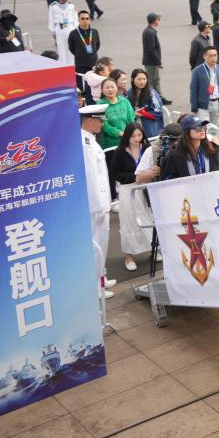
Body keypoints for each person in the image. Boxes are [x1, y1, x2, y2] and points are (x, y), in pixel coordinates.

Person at [79, 105, 116, 299]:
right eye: (100, 120)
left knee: (102, 243)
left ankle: (101, 277)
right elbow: (91, 179)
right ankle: (95, 287)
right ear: (89, 121)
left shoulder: (90, 140)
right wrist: (98, 207)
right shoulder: (85, 144)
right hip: (96, 206)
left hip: (101, 202)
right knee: (96, 246)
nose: (102, 124)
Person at [108, 122, 149, 271]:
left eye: (139, 135)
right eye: (133, 136)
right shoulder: (120, 151)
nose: (137, 139)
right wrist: (135, 177)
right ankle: (129, 256)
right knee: (128, 222)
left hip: (145, 188)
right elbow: (115, 174)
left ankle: (153, 248)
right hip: (128, 189)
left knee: (149, 218)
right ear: (127, 136)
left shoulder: (147, 148)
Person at [162, 115, 219, 179]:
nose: (202, 130)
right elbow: (170, 179)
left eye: (204, 127)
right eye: (198, 128)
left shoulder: (212, 150)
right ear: (187, 131)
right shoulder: (175, 155)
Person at [190, 46, 219, 126]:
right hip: (203, 105)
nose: (213, 58)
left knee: (215, 127)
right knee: (204, 126)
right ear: (204, 56)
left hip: (217, 103)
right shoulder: (197, 71)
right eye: (210, 56)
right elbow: (193, 89)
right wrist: (194, 107)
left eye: (215, 55)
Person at [96, 76, 135, 150]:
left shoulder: (125, 102)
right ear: (102, 90)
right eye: (107, 88)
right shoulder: (100, 105)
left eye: (112, 87)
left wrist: (129, 134)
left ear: (117, 88)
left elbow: (131, 120)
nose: (110, 90)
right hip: (110, 145)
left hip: (127, 140)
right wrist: (120, 133)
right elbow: (104, 125)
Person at [128, 68, 165, 138]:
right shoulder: (128, 93)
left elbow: (158, 111)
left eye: (144, 79)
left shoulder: (152, 93)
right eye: (139, 79)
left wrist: (142, 114)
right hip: (133, 126)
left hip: (150, 126)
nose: (142, 82)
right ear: (132, 79)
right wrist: (132, 114)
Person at [68, 12, 101, 86]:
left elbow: (97, 45)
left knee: (94, 85)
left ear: (89, 20)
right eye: (82, 19)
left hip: (93, 64)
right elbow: (71, 48)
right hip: (80, 65)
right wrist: (79, 54)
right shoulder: (73, 33)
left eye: (87, 18)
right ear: (78, 20)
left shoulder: (95, 32)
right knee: (81, 86)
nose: (85, 20)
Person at [48, 0, 76, 64]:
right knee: (61, 48)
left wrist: (76, 29)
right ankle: (63, 64)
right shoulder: (53, 6)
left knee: (71, 47)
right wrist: (53, 32)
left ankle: (72, 64)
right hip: (60, 28)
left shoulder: (71, 5)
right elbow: (51, 19)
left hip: (70, 28)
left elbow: (75, 18)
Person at [141, 13, 165, 99]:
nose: (159, 21)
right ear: (155, 21)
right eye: (158, 19)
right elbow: (151, 49)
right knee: (151, 81)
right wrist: (158, 61)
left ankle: (159, 97)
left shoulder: (149, 31)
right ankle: (150, 98)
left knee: (156, 80)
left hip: (152, 61)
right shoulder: (150, 32)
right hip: (151, 61)